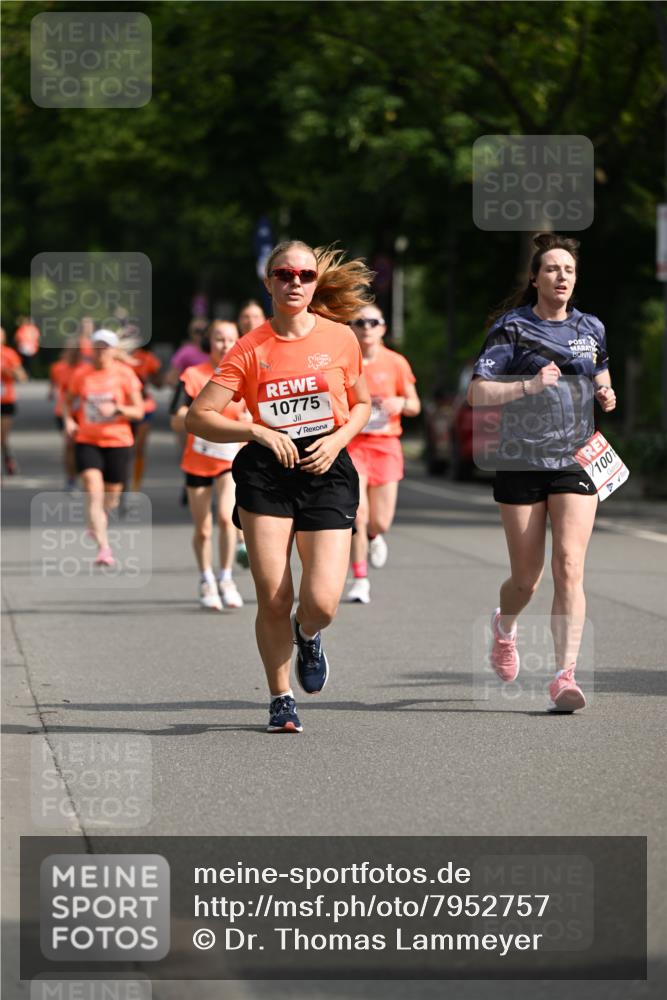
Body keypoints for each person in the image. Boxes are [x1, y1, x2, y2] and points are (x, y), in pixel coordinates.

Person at [186, 240, 373, 733]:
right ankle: (281, 695)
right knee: (273, 595)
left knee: (323, 601)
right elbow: (198, 417)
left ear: (314, 283)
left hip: (326, 467)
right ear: (268, 282)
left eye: (305, 275)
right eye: (284, 274)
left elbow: (361, 405)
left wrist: (338, 441)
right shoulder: (250, 348)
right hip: (267, 471)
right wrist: (254, 430)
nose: (295, 282)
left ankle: (307, 633)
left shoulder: (340, 339)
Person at [467, 233, 616, 713]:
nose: (561, 276)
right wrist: (528, 385)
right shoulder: (511, 328)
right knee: (526, 579)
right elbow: (478, 393)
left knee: (569, 565)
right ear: (534, 278)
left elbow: (600, 371)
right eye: (551, 269)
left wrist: (605, 393)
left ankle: (564, 675)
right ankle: (504, 626)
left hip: (576, 458)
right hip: (521, 461)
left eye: (569, 270)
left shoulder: (591, 327)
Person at [345, 305, 421, 603]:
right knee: (358, 515)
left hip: (386, 445)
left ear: (383, 328)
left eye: (373, 321)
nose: (366, 327)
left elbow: (415, 404)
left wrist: (399, 403)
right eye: (360, 322)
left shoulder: (396, 363)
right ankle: (360, 578)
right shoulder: (344, 362)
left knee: (380, 521)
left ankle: (375, 538)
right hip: (353, 445)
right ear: (351, 327)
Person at [170, 320, 247, 610]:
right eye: (218, 339)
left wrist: (249, 422)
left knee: (227, 519)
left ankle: (226, 577)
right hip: (198, 459)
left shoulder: (244, 374)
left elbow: (255, 411)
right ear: (208, 343)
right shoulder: (192, 376)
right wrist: (199, 417)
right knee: (203, 528)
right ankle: (206, 578)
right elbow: (176, 418)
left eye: (229, 339)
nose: (224, 345)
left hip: (230, 458)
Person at [63, 329, 144, 567]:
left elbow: (138, 410)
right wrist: (69, 420)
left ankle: (98, 519)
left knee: (111, 498)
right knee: (92, 487)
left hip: (118, 441)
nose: (101, 351)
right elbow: (67, 402)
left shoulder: (125, 374)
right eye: (97, 346)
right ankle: (104, 548)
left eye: (106, 347)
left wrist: (119, 410)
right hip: (87, 439)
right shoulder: (82, 374)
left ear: (114, 350)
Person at [126, 343, 163, 491]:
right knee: (123, 449)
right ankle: (121, 483)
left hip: (144, 407)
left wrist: (148, 377)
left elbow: (159, 383)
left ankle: (135, 486)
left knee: (139, 448)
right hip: (122, 409)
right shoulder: (112, 356)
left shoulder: (146, 357)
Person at [49, 341, 84, 489]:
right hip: (63, 412)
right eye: (71, 351)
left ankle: (83, 474)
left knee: (81, 446)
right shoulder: (58, 368)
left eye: (77, 351)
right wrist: (52, 392)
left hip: (83, 413)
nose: (74, 353)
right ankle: (71, 478)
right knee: (70, 445)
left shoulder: (85, 369)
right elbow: (53, 386)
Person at [1, 326, 28, 475]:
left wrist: (9, 372)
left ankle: (7, 457)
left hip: (5, 400)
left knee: (2, 437)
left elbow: (22, 377)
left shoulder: (9, 354)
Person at [165, 318, 209, 387]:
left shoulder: (216, 350)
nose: (201, 334)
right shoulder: (185, 351)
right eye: (197, 331)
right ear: (191, 333)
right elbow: (171, 378)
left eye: (204, 331)